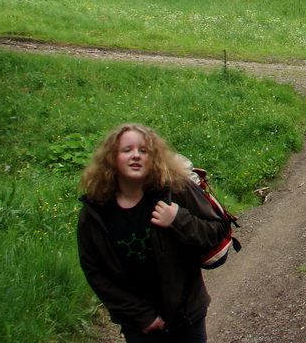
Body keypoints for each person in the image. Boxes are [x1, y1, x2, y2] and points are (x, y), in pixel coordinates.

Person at [77, 123, 229, 343]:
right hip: (139, 324)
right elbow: (94, 270)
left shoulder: (176, 190)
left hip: (188, 313)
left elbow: (216, 231)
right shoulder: (95, 212)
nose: (136, 156)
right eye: (126, 150)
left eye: (144, 150)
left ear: (154, 157)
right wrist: (140, 315)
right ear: (111, 158)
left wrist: (178, 220)